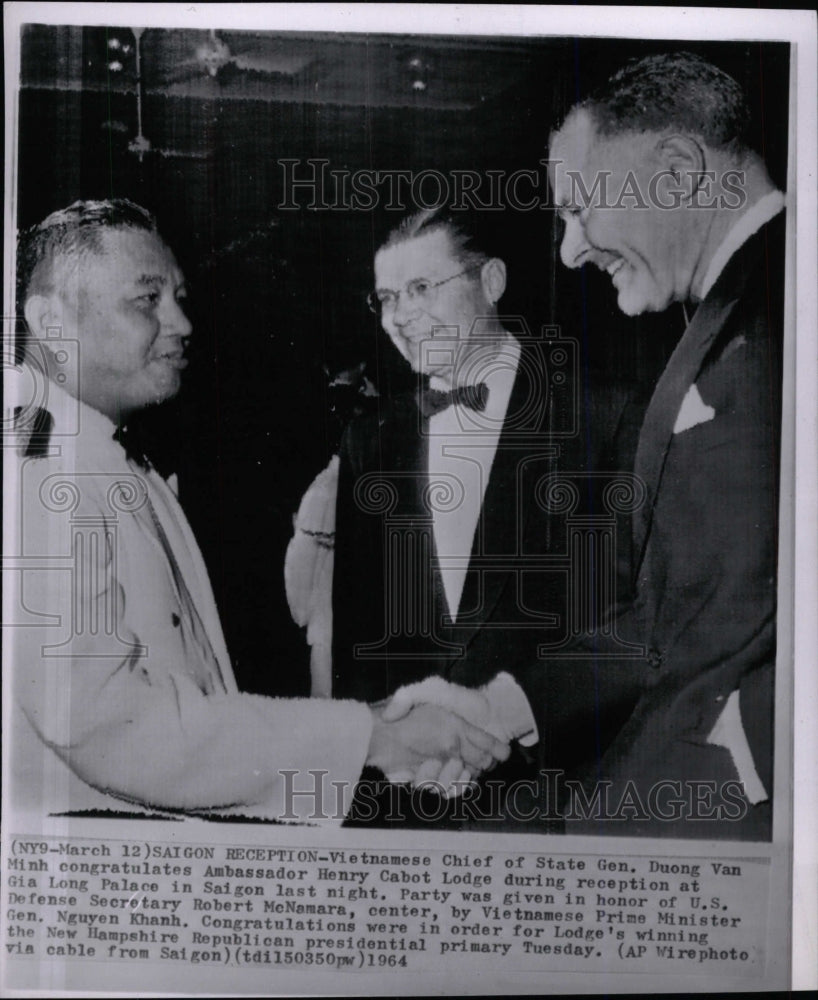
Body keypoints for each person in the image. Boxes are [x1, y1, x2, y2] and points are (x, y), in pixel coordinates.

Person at [6, 199, 509, 825]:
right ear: (50, 322)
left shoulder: (107, 457)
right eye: (147, 300)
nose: (182, 323)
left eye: (179, 296)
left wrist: (377, 725)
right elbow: (107, 725)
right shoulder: (32, 472)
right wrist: (370, 735)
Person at [541, 51, 785, 838]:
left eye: (580, 208)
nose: (570, 251)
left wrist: (735, 767)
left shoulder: (789, 299)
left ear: (679, 171)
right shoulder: (739, 305)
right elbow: (687, 610)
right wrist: (502, 704)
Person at [330, 206, 573, 821]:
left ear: (490, 282)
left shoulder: (599, 416)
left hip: (558, 796)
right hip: (412, 799)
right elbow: (359, 646)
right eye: (386, 298)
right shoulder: (371, 440)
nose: (399, 317)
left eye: (419, 289)